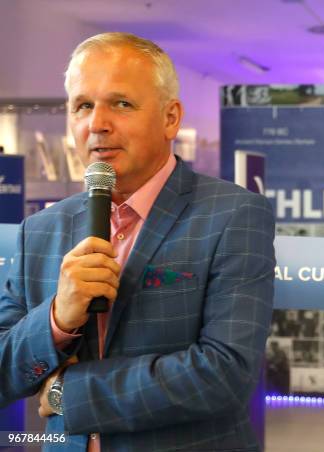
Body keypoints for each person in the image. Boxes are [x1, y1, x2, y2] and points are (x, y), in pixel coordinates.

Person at [0, 32, 275, 451]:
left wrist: (67, 394)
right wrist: (57, 319)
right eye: (83, 105)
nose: (97, 123)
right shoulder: (40, 230)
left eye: (121, 103)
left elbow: (226, 373)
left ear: (171, 118)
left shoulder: (234, 215)